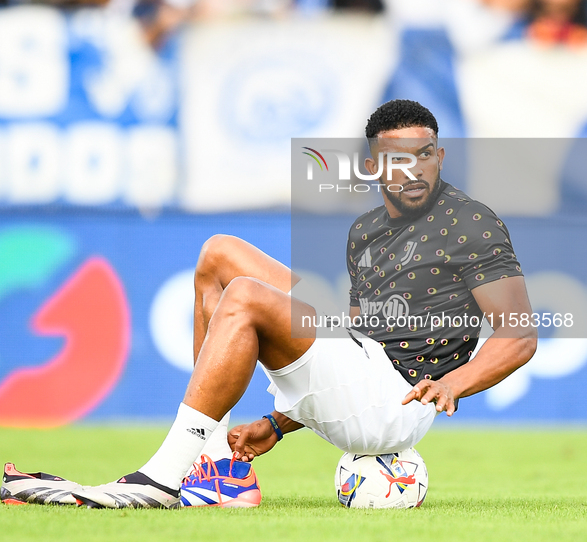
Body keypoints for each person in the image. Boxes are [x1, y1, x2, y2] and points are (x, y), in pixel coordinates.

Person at [4, 100, 537, 509]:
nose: (413, 169)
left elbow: (519, 334)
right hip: (365, 370)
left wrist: (453, 383)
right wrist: (279, 423)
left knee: (245, 297)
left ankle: (163, 478)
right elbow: (352, 347)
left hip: (397, 403)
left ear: (439, 156)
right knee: (220, 254)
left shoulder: (470, 223)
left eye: (424, 155)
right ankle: (215, 469)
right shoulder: (367, 231)